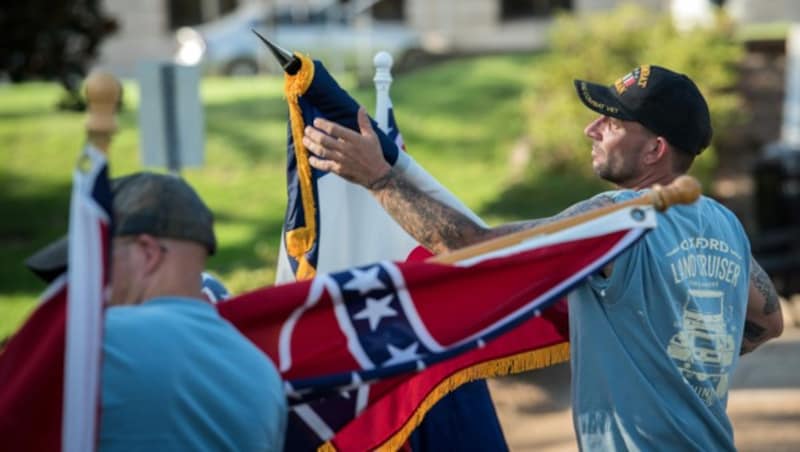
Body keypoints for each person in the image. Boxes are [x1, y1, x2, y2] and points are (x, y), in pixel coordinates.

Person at [301, 64, 784, 450]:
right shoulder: (721, 223)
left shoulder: (618, 217)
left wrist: (379, 179)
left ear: (656, 149)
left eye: (612, 122)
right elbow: (769, 321)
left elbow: (474, 248)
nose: (591, 128)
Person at [98, 172, 287, 451]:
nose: (92, 276)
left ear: (148, 253)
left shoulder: (101, 342)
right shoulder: (263, 375)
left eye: (101, 255)